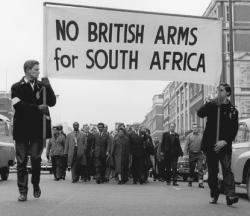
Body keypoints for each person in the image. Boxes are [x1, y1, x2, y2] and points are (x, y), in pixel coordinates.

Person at [11, 60, 56, 201]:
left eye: (38, 69)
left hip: (37, 129)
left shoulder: (41, 86)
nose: (38, 71)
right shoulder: (16, 87)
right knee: (21, 161)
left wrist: (48, 86)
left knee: (36, 160)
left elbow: (52, 102)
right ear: (28, 70)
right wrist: (37, 108)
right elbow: (18, 106)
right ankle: (23, 191)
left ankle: (35, 184)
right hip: (22, 129)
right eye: (36, 69)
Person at [197, 83, 239, 205]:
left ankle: (230, 195)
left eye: (221, 90)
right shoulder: (212, 106)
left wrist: (225, 141)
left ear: (227, 93)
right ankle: (214, 194)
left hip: (224, 146)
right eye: (217, 90)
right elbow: (200, 113)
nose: (218, 92)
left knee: (227, 170)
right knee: (212, 172)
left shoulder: (233, 111)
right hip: (210, 145)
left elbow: (234, 129)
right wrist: (209, 103)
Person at [183, 123, 204, 188]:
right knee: (192, 169)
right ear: (192, 129)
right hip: (192, 154)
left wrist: (204, 153)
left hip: (199, 154)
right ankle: (190, 181)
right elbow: (186, 146)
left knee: (200, 168)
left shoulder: (201, 136)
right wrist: (185, 154)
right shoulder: (189, 136)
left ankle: (200, 183)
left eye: (196, 127)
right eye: (194, 128)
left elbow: (204, 145)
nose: (195, 129)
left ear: (198, 128)